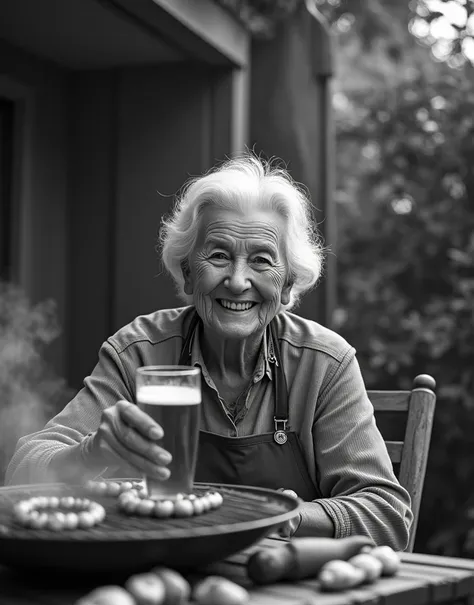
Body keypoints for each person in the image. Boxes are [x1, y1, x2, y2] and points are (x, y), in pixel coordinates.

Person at [7, 155, 412, 548]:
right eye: (218, 255)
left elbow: (386, 515)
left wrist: (278, 517)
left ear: (288, 284)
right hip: (166, 585)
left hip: (285, 588)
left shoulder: (324, 363)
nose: (237, 281)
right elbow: (23, 470)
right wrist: (90, 454)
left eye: (261, 260)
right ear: (187, 272)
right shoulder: (140, 352)